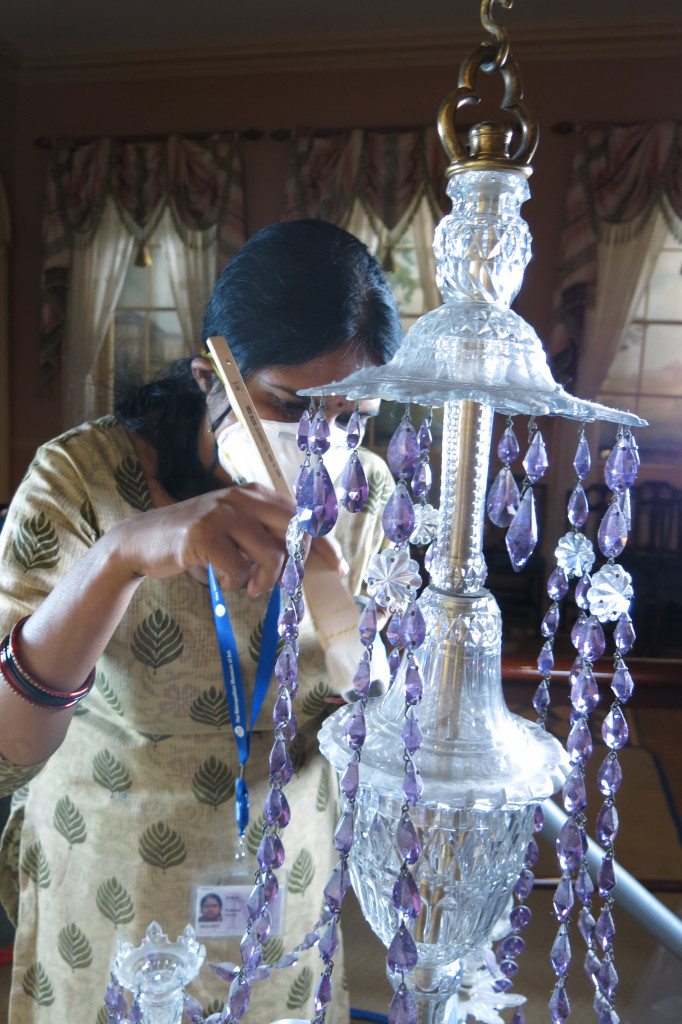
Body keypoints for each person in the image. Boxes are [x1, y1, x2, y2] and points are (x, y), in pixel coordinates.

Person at [0, 219, 402, 1024]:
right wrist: (121, 557)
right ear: (211, 375)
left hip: (282, 884)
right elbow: (12, 741)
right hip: (111, 878)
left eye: (353, 416)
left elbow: (377, 728)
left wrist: (330, 594)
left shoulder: (363, 497)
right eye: (291, 405)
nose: (323, 441)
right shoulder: (82, 478)